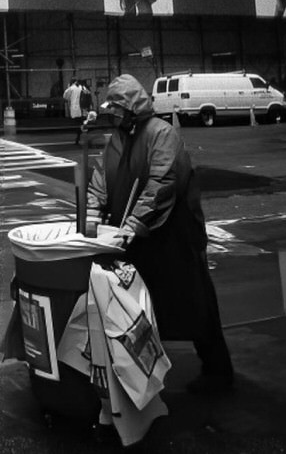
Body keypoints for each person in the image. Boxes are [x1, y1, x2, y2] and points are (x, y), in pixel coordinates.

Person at [85, 75, 234, 395]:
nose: (115, 117)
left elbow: (162, 184)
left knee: (195, 304)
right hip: (139, 241)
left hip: (174, 239)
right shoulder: (119, 139)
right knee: (139, 309)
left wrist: (132, 225)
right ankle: (143, 375)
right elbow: (101, 179)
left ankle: (218, 372)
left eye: (118, 110)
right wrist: (93, 214)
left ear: (132, 108)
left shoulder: (162, 134)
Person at [63, 79, 85, 145]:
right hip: (83, 109)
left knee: (76, 123)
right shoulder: (82, 88)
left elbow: (65, 97)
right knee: (81, 122)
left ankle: (78, 137)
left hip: (75, 109)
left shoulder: (71, 88)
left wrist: (68, 87)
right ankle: (79, 136)